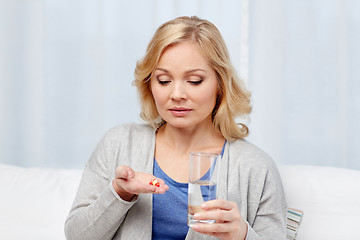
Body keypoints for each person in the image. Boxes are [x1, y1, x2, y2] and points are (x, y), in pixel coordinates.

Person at [65, 16, 287, 240]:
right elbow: (76, 236)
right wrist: (120, 194)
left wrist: (242, 234)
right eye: (163, 80)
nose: (177, 94)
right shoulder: (120, 144)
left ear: (220, 84)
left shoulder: (256, 167)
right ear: (149, 84)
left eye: (194, 81)